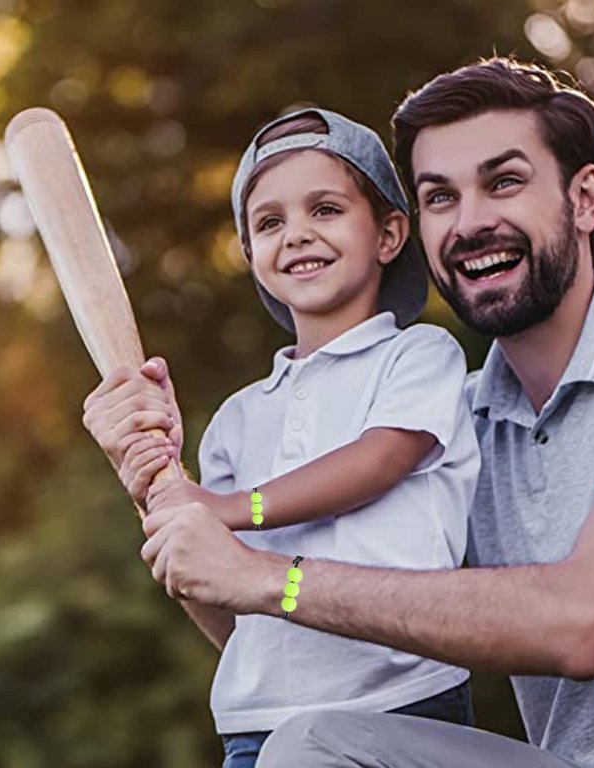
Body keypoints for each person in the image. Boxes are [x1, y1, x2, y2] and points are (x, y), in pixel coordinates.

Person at [83, 57, 594, 768]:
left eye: (503, 182)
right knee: (309, 744)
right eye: (440, 197)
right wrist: (163, 490)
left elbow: (584, 624)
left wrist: (266, 571)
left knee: (311, 749)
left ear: (585, 197)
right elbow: (304, 635)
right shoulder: (462, 421)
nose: (470, 223)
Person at [84, 108, 482, 767]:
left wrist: (232, 507)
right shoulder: (239, 418)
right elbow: (210, 573)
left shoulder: (417, 357)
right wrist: (155, 475)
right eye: (270, 223)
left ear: (388, 234)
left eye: (324, 209)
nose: (296, 234)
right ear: (250, 255)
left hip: (399, 701)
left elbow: (379, 461)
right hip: (256, 719)